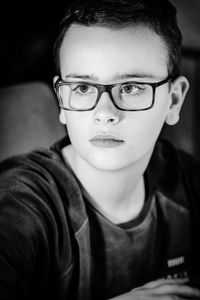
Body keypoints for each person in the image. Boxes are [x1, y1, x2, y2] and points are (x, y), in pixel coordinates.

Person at [0, 0, 200, 299]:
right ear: (62, 101)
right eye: (82, 88)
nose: (104, 112)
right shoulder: (19, 204)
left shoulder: (188, 180)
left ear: (173, 100)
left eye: (131, 87)